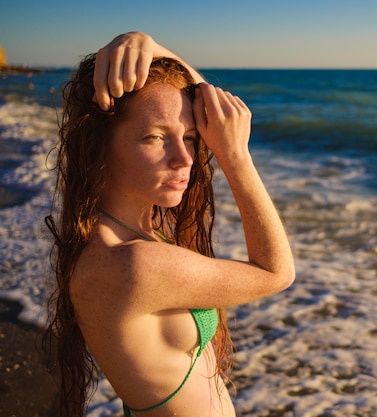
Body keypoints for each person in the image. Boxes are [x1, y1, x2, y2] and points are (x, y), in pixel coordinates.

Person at [43, 32, 295, 417]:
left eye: (191, 138)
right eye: (156, 137)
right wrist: (236, 156)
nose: (184, 158)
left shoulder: (119, 233)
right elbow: (276, 272)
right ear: (99, 145)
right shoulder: (131, 265)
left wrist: (150, 46)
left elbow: (201, 101)